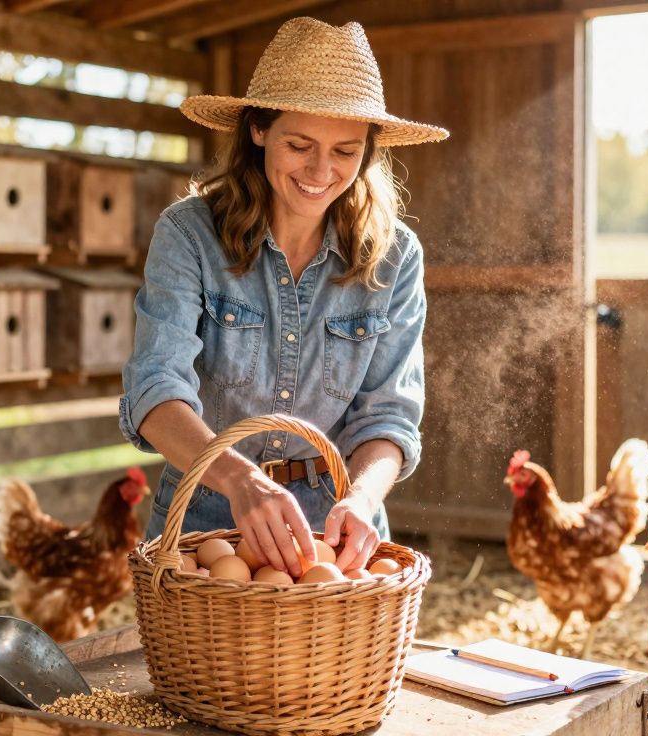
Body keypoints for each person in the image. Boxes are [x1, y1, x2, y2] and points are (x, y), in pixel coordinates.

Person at [119, 17, 447, 578]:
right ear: (259, 130)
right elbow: (154, 390)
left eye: (346, 151)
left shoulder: (395, 254)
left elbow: (389, 415)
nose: (322, 172)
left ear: (368, 151)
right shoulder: (189, 234)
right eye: (300, 145)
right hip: (202, 512)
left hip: (338, 533)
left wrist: (363, 499)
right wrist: (241, 480)